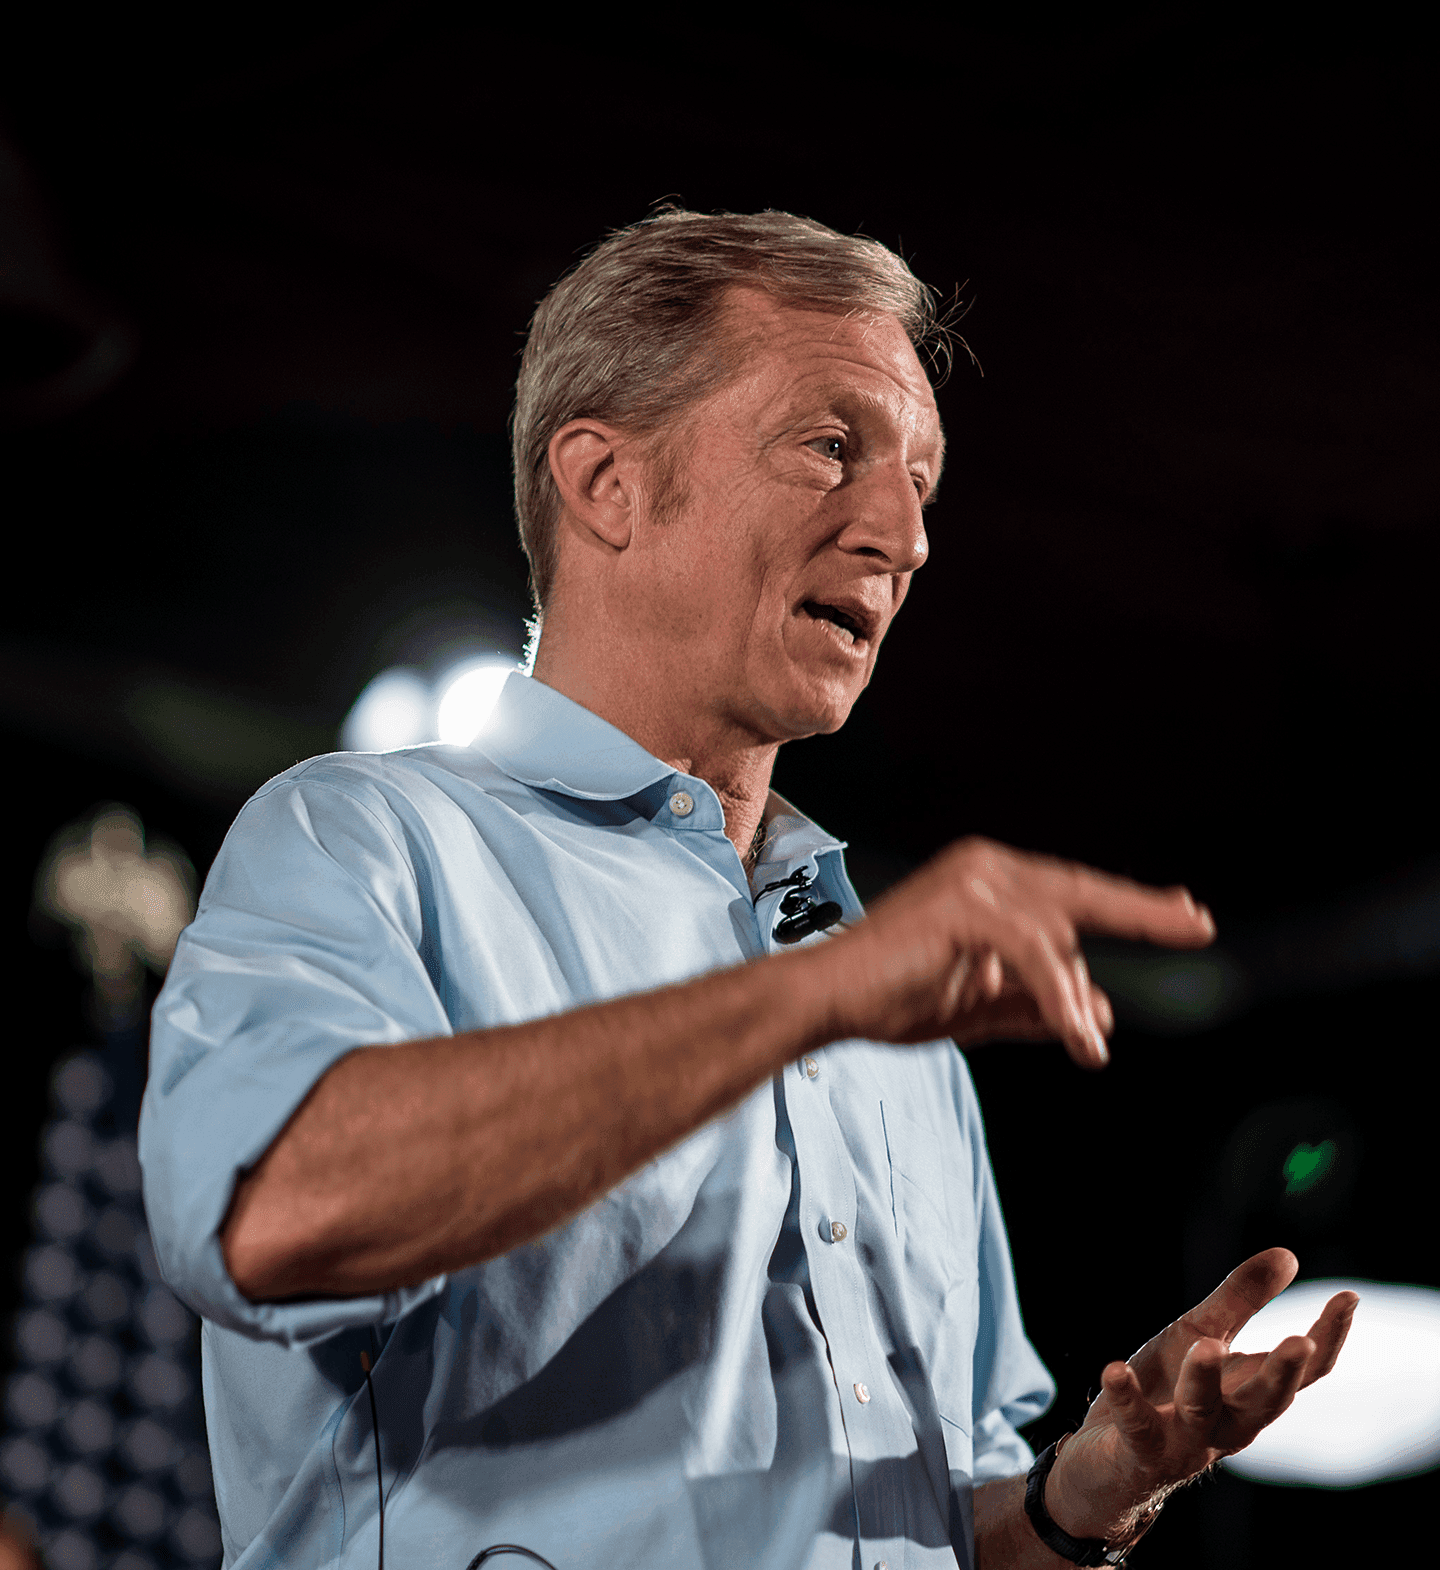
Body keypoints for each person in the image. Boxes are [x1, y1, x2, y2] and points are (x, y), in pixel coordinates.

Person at [141, 210, 1355, 1570]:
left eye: (923, 484)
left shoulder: (883, 1000)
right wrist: (815, 998)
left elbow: (935, 1528)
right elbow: (276, 1214)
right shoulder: (368, 838)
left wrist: (1083, 1499)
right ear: (608, 482)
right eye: (833, 445)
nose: (907, 536)